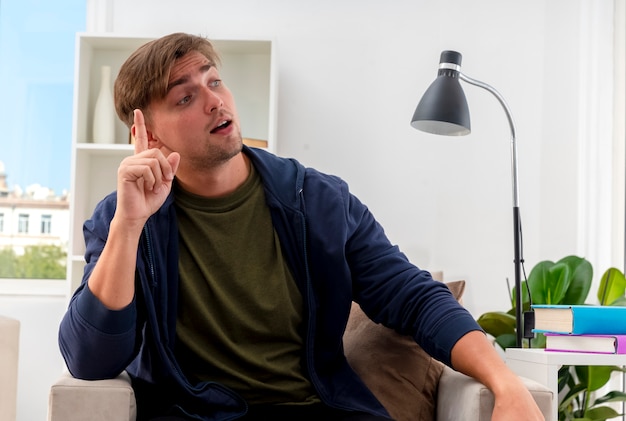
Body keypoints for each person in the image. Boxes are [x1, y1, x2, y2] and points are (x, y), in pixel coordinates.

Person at [58, 32, 544, 421]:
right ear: (147, 135)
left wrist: (505, 383)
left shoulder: (317, 200)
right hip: (196, 413)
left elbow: (414, 297)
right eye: (185, 98)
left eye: (214, 81)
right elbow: (91, 359)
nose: (213, 101)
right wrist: (129, 226)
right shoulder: (121, 219)